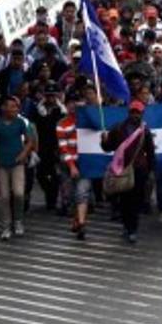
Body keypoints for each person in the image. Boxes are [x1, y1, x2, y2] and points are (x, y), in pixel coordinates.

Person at [100, 99, 156, 244]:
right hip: (122, 169)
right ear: (129, 112)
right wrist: (104, 141)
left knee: (135, 200)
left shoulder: (145, 131)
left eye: (138, 113)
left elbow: (150, 152)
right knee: (124, 200)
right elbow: (108, 147)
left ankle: (132, 229)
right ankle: (126, 225)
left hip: (139, 170)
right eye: (133, 112)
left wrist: (150, 170)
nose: (135, 115)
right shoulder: (118, 129)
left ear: (142, 114)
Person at [0, 96, 36, 241]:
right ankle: (6, 226)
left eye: (16, 106)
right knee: (4, 196)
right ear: (4, 108)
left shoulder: (20, 122)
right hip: (2, 164)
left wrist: (23, 154)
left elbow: (30, 141)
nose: (15, 109)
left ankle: (18, 220)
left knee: (19, 193)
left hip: (18, 164)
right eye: (12, 106)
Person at [56, 92, 91, 240]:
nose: (73, 105)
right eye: (70, 102)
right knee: (69, 196)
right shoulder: (61, 124)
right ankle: (76, 218)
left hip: (85, 163)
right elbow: (63, 148)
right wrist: (71, 165)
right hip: (67, 164)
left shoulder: (88, 121)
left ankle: (82, 223)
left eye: (76, 102)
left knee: (82, 193)